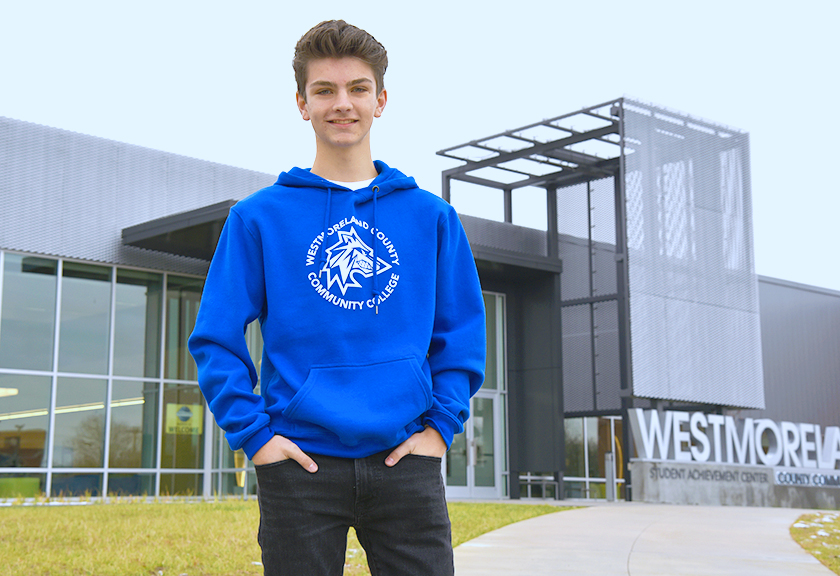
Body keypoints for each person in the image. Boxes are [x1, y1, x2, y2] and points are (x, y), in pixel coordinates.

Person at [188, 19, 486, 576]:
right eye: (324, 90)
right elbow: (216, 337)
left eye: (358, 89)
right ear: (302, 103)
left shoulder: (431, 218)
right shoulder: (258, 218)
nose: (342, 104)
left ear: (382, 99)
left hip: (406, 461)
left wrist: (439, 429)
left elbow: (460, 334)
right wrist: (257, 438)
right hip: (299, 464)